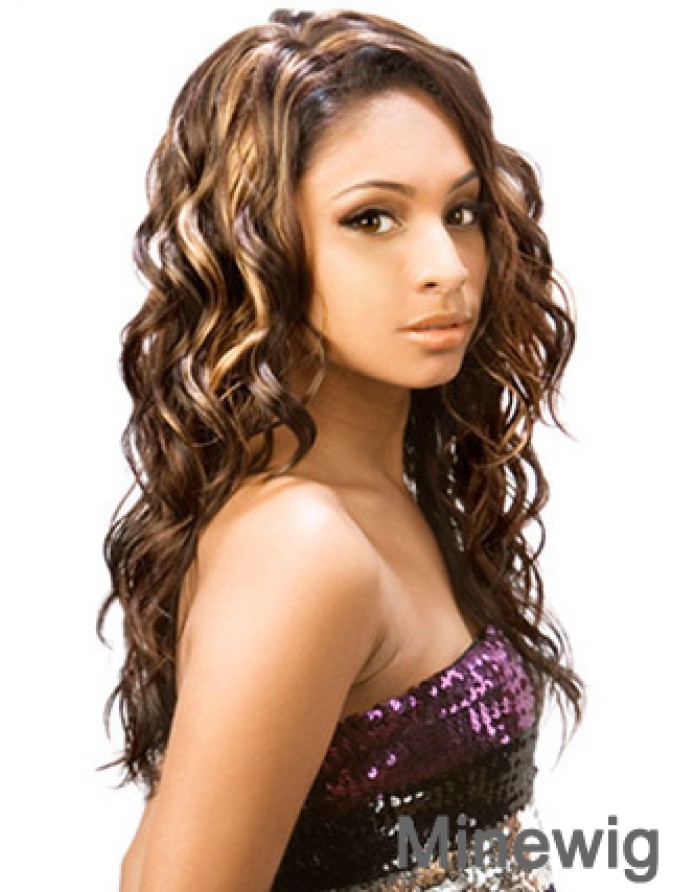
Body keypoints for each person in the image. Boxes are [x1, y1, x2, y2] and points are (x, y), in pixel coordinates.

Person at [98, 7, 584, 890]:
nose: (448, 266)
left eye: (461, 211)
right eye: (371, 219)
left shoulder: (387, 495)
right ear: (257, 248)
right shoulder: (301, 544)